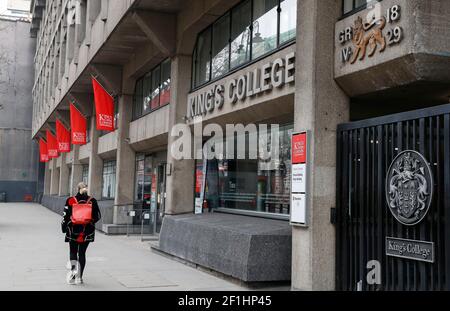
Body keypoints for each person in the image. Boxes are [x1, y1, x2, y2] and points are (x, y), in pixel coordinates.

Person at [61, 182, 101, 285]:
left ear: (77, 189)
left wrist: (64, 228)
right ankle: (80, 277)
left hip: (72, 231)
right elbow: (97, 217)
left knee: (73, 252)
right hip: (87, 232)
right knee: (82, 253)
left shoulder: (70, 200)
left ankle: (73, 276)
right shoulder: (92, 201)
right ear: (86, 189)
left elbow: (65, 216)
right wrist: (89, 222)